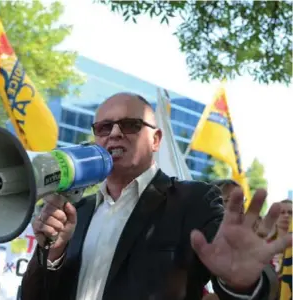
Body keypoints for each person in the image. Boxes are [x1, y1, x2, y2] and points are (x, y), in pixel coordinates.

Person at [21, 93, 290, 300]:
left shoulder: (194, 200)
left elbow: (243, 275)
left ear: (156, 140)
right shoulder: (76, 211)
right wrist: (52, 253)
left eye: (130, 125)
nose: (115, 133)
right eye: (103, 127)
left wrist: (242, 282)